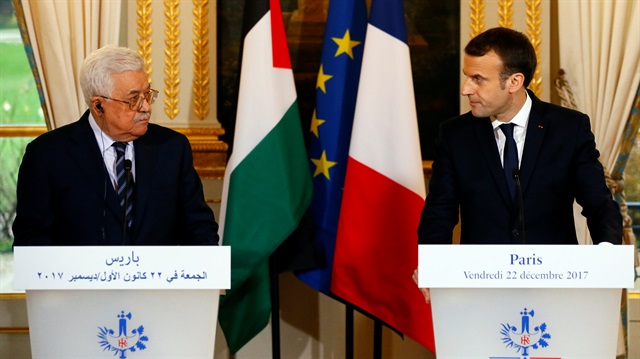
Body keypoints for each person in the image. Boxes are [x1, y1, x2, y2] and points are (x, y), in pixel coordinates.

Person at [415, 27, 621, 300]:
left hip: (556, 292)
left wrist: (607, 255)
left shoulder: (568, 128)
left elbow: (599, 204)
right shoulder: (455, 135)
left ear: (514, 81)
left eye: (478, 79)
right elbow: (439, 212)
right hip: (479, 293)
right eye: (467, 77)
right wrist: (433, 264)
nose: (466, 89)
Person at [12, 46, 219, 247]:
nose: (146, 107)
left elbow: (199, 228)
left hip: (157, 281)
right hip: (82, 281)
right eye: (133, 99)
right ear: (98, 105)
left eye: (147, 95)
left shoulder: (171, 148)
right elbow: (31, 239)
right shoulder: (47, 155)